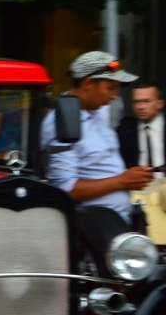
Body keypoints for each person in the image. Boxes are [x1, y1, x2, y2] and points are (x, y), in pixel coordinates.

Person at [42, 51, 151, 229]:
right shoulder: (61, 122)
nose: (115, 96)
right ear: (88, 83)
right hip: (93, 230)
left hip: (118, 222)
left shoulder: (94, 113)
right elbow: (67, 189)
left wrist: (132, 177)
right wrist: (122, 181)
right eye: (111, 88)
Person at [116, 79, 165, 178]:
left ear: (160, 103)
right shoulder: (123, 132)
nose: (140, 107)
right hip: (137, 189)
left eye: (146, 101)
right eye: (136, 102)